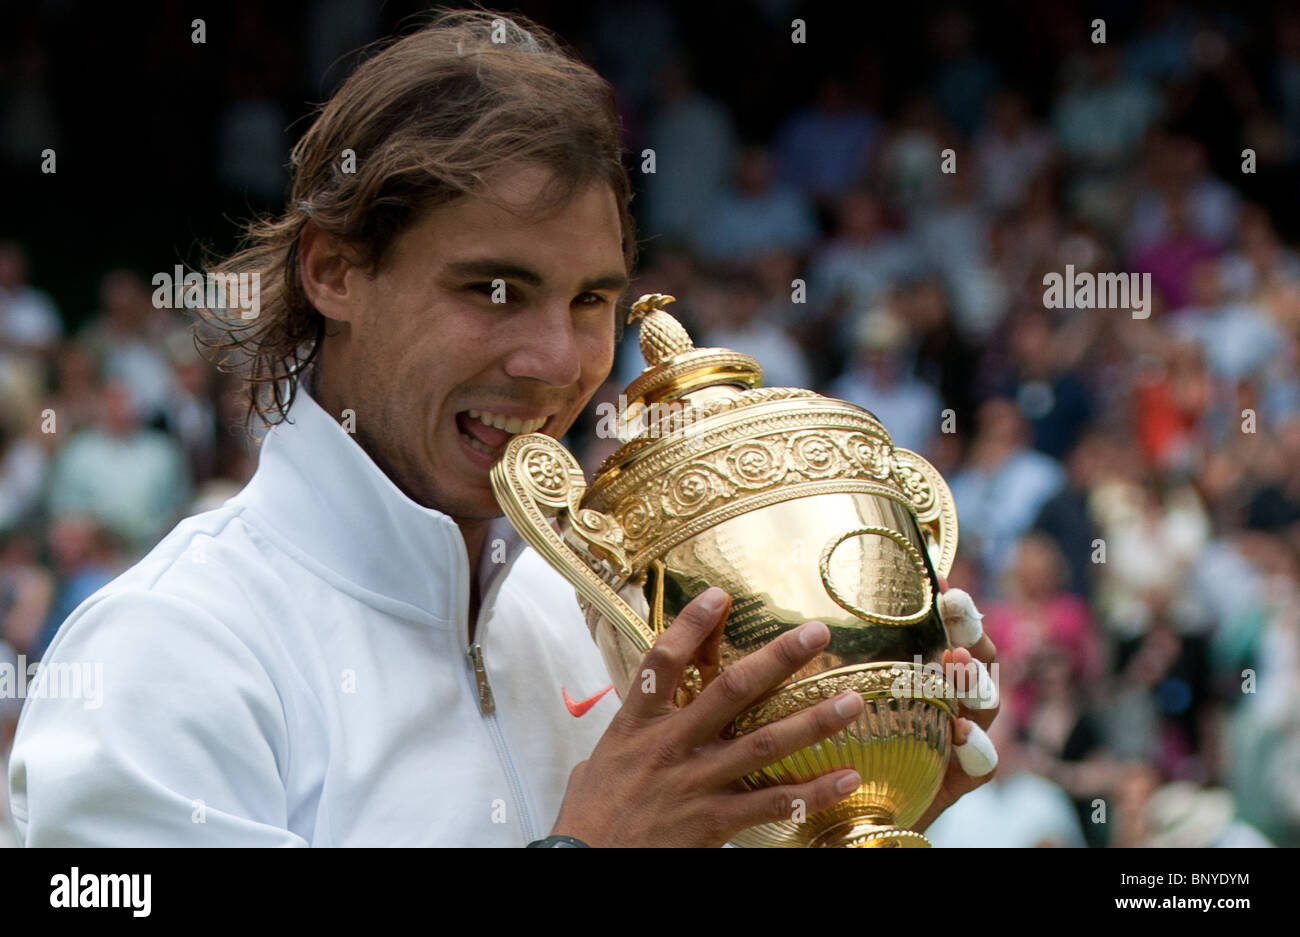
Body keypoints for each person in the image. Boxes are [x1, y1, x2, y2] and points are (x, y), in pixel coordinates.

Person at [8, 11, 998, 848]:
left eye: (588, 300)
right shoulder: (168, 654)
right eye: (494, 290)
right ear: (334, 271)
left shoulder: (602, 614)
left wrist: (843, 802)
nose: (556, 361)